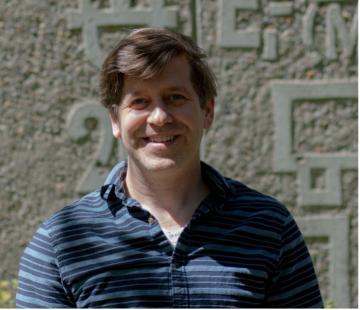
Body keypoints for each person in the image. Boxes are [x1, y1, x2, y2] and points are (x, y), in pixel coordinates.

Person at [16, 28, 323, 308]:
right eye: (140, 102)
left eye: (175, 98)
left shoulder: (268, 227)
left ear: (208, 111)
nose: (159, 117)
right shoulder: (61, 242)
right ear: (114, 121)